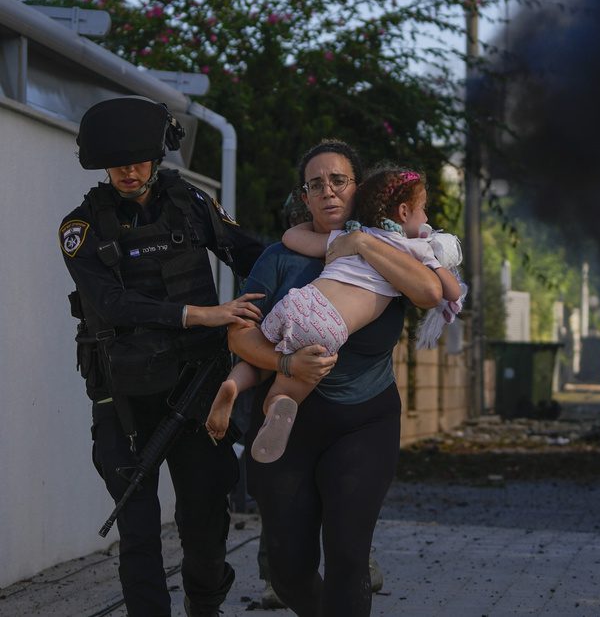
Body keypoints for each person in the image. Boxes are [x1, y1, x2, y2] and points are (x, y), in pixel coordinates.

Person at [58, 96, 270, 617]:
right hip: (124, 394)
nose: (129, 171)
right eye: (118, 162)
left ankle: (205, 604)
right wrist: (201, 314)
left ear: (158, 156)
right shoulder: (80, 228)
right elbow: (109, 303)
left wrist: (318, 270)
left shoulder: (191, 205)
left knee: (204, 519)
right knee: (137, 526)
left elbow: (249, 254)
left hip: (197, 386)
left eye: (139, 159)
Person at [227, 140, 445, 616]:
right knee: (287, 570)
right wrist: (287, 365)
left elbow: (431, 291)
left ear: (359, 189)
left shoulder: (389, 248)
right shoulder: (280, 257)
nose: (328, 192)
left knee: (348, 554)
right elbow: (240, 337)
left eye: (338, 181)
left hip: (364, 421)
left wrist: (361, 241)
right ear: (303, 197)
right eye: (315, 184)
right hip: (288, 421)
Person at [205, 166, 463, 463]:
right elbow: (450, 292)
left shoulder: (351, 235)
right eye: (424, 211)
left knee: (260, 354)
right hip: (329, 326)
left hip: (299, 301)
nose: (427, 219)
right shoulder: (415, 250)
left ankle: (233, 385)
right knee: (289, 386)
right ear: (404, 212)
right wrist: (440, 264)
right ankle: (279, 404)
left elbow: (292, 237)